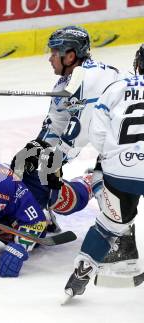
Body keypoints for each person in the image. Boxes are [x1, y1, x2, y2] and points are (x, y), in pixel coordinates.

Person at [10, 26, 136, 271]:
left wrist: (57, 160)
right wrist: (35, 149)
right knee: (33, 165)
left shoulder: (92, 76)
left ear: (70, 55)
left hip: (127, 140)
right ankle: (42, 218)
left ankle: (120, 238)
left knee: (108, 179)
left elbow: (81, 126)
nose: (50, 58)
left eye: (54, 52)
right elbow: (54, 126)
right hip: (108, 136)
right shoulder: (66, 83)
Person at [63, 44, 144, 300]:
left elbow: (97, 133)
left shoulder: (117, 87)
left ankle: (82, 272)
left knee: (109, 225)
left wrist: (113, 158)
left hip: (120, 171)